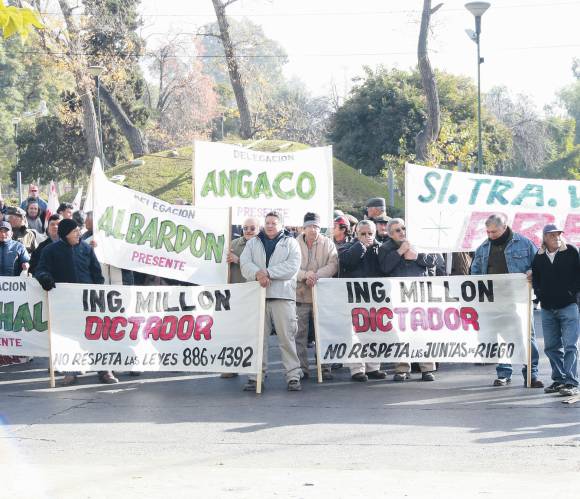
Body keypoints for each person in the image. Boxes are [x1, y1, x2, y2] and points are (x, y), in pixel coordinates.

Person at [35, 219, 117, 386]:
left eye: (79, 231)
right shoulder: (50, 250)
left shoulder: (86, 249)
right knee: (69, 337)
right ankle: (70, 372)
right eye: (75, 232)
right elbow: (40, 269)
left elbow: (97, 274)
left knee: (96, 336)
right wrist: (45, 278)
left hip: (89, 302)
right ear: (65, 234)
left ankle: (104, 370)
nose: (79, 234)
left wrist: (98, 292)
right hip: (65, 303)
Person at [471, 213, 543, 388]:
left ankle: (531, 375)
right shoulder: (483, 248)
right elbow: (474, 272)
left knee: (527, 336)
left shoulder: (524, 244)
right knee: (500, 338)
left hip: (519, 299)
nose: (490, 235)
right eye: (488, 232)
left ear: (505, 227)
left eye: (494, 232)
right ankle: (503, 373)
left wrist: (533, 272)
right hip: (494, 300)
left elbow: (540, 264)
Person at [240, 211, 303, 392]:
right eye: (267, 222)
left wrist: (267, 273)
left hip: (282, 297)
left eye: (273, 223)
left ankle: (293, 376)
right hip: (258, 297)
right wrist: (258, 274)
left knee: (287, 339)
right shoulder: (253, 242)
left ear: (281, 225)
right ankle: (256, 376)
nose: (269, 225)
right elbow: (245, 264)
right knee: (258, 339)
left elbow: (292, 267)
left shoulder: (291, 243)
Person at [378, 218, 438, 381]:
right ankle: (402, 368)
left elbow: (435, 261)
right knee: (400, 333)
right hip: (397, 296)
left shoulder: (418, 243)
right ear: (390, 234)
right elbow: (384, 268)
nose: (402, 232)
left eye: (403, 228)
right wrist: (399, 252)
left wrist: (416, 256)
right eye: (397, 230)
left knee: (422, 331)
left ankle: (427, 368)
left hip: (419, 294)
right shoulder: (385, 248)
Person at [532, 224, 580, 397]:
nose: (556, 237)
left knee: (570, 346)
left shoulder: (572, 251)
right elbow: (536, 278)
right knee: (551, 347)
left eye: (558, 234)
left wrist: (572, 294)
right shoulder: (538, 257)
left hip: (569, 306)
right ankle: (559, 380)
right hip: (547, 308)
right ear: (545, 237)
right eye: (552, 235)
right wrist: (539, 293)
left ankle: (572, 382)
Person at [339, 220, 387, 381]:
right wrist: (362, 246)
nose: (367, 237)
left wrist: (374, 247)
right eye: (363, 234)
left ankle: (373, 367)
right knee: (355, 334)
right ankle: (357, 369)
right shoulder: (347, 247)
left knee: (374, 331)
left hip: (374, 297)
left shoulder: (380, 248)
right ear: (356, 234)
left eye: (370, 234)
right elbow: (347, 261)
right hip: (354, 297)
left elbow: (386, 267)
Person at [295, 212, 338, 380]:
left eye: (316, 226)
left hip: (321, 295)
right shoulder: (293, 243)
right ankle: (301, 368)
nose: (313, 229)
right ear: (303, 228)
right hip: (300, 295)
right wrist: (305, 275)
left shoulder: (328, 243)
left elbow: (333, 264)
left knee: (323, 333)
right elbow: (289, 267)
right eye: (310, 226)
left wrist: (316, 276)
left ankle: (324, 367)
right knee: (300, 334)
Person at [220, 217, 260, 379]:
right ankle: (232, 365)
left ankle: (255, 369)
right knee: (233, 332)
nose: (248, 231)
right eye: (245, 228)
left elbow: (261, 267)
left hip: (254, 293)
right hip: (234, 294)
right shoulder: (233, 245)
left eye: (252, 228)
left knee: (253, 333)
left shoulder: (262, 245)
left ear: (258, 229)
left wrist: (238, 260)